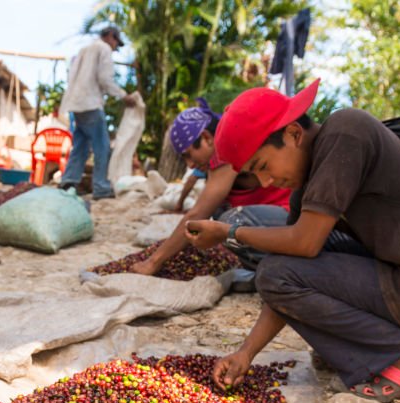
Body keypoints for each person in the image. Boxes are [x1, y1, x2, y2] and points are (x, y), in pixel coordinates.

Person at [185, 80, 400, 403]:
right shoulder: (308, 183)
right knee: (278, 267)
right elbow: (291, 266)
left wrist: (229, 233)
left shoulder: (346, 132)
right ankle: (369, 352)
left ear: (293, 134)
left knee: (273, 270)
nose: (266, 181)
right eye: (254, 175)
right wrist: (246, 353)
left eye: (262, 167)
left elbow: (302, 246)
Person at [131, 98, 291, 277]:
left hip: (291, 221)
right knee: (221, 219)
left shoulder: (224, 152)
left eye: (189, 155)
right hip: (277, 224)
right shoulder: (216, 161)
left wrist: (153, 262)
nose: (190, 165)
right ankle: (271, 267)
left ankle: (280, 269)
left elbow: (198, 213)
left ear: (207, 138)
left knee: (231, 222)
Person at [58, 26, 140, 200]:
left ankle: (68, 181)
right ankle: (101, 187)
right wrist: (123, 96)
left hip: (76, 103)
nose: (114, 48)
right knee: (101, 146)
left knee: (80, 145)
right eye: (116, 43)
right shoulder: (103, 49)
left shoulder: (84, 50)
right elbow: (105, 79)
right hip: (90, 103)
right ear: (111, 36)